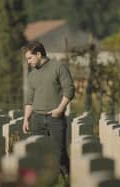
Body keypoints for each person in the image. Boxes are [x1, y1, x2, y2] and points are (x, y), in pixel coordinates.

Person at [22, 41, 75, 184]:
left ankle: (69, 182)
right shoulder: (32, 75)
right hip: (37, 119)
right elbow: (29, 99)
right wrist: (26, 119)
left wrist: (60, 109)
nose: (28, 62)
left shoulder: (58, 67)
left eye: (30, 58)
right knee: (37, 155)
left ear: (38, 54)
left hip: (55, 118)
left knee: (60, 155)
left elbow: (69, 89)